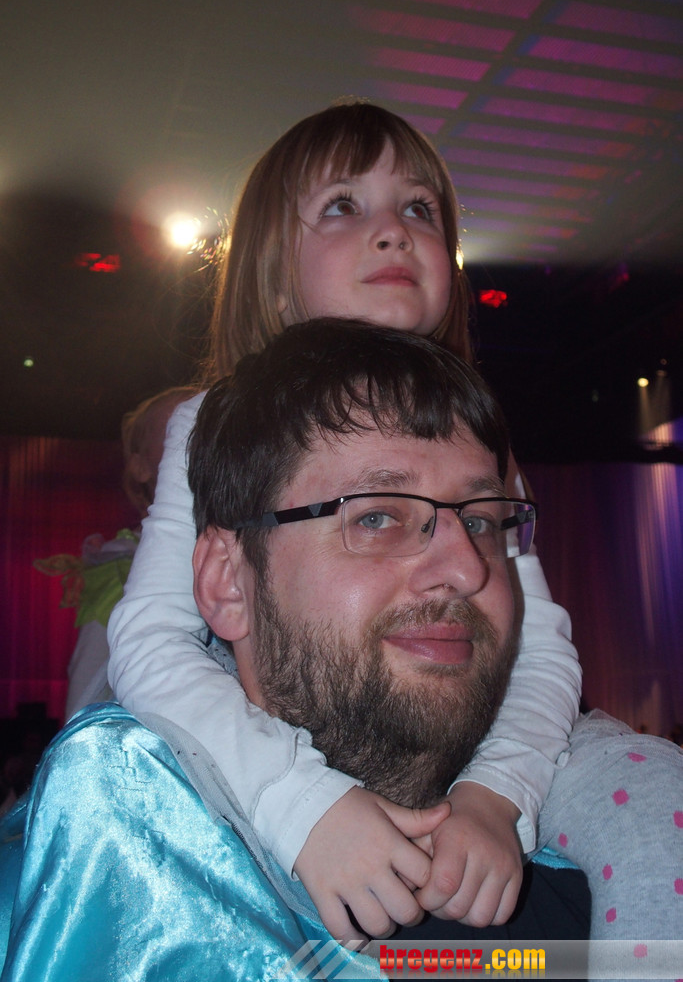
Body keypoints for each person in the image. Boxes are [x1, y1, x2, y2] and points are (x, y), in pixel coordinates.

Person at [106, 100, 584, 941]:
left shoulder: (480, 444)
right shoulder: (209, 422)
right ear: (271, 273)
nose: (394, 231)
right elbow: (150, 641)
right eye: (342, 206)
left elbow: (537, 648)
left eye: (419, 207)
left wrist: (494, 797)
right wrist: (302, 804)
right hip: (261, 764)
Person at [0, 321, 593, 980]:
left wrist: (498, 794)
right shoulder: (75, 892)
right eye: (376, 516)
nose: (466, 568)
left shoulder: (592, 917)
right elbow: (144, 640)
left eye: (479, 521)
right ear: (228, 581)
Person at [35, 387, 195, 721]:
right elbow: (86, 698)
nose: (197, 438)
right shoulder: (122, 568)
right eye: (177, 429)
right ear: (140, 467)